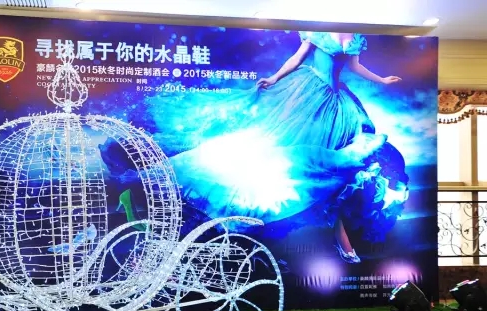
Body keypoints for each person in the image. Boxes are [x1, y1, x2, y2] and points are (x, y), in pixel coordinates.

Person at [159, 32, 404, 263]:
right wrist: (275, 78)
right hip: (308, 93)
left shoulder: (356, 37)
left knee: (335, 166)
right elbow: (297, 58)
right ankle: (267, 221)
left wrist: (382, 79)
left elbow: (355, 67)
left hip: (336, 103)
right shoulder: (318, 32)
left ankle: (339, 236)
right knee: (296, 154)